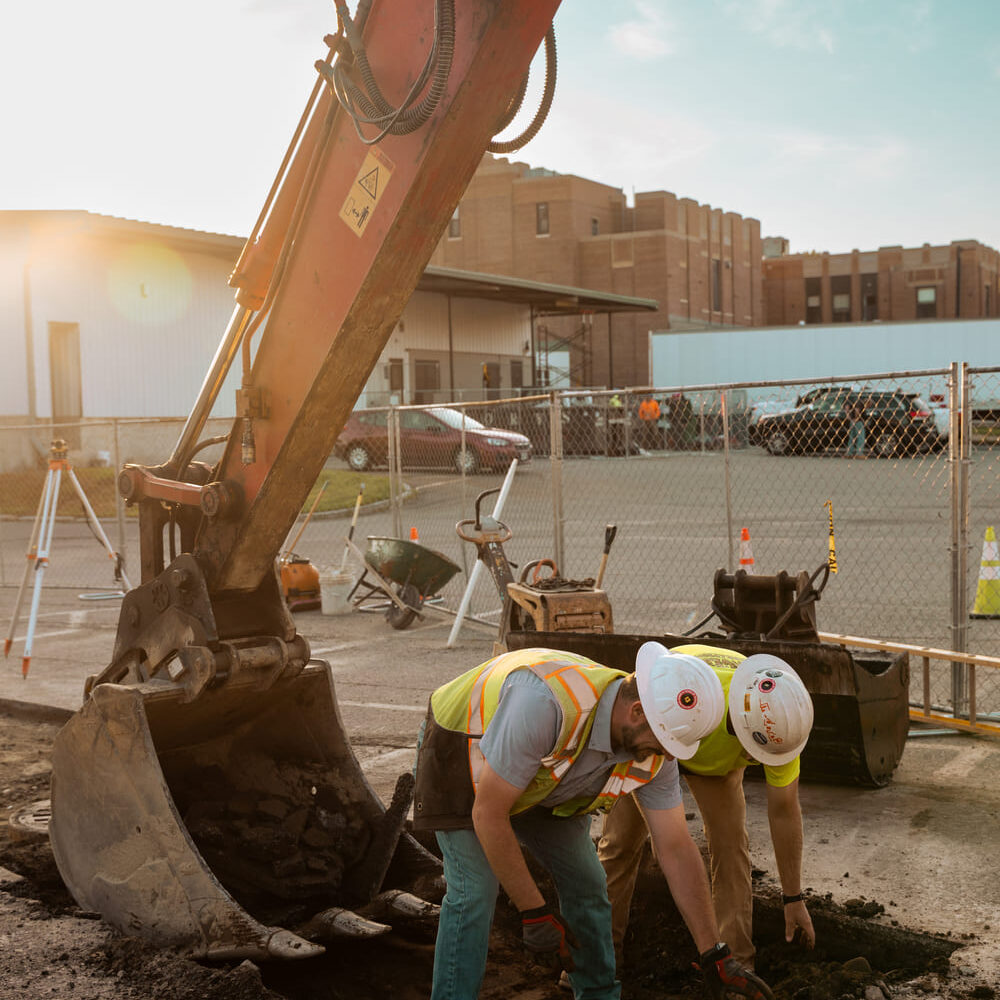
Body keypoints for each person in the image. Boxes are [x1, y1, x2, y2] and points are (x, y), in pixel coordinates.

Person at [412, 644, 774, 1000]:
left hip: (541, 778)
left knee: (588, 881)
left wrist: (713, 952)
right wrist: (533, 911)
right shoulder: (545, 704)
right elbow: (488, 815)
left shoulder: (654, 750)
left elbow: (676, 847)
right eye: (662, 742)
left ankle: (599, 994)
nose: (663, 755)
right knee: (475, 890)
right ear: (636, 711)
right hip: (460, 751)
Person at [598, 644, 816, 972]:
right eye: (752, 754)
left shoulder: (778, 725)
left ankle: (736, 968)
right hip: (657, 735)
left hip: (715, 767)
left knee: (731, 849)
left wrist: (793, 898)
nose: (755, 763)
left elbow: (784, 811)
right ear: (737, 725)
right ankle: (598, 960)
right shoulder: (683, 696)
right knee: (619, 845)